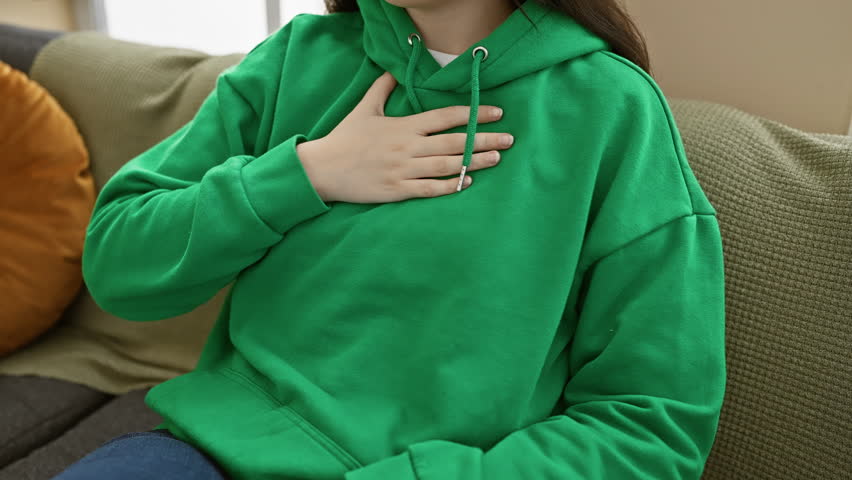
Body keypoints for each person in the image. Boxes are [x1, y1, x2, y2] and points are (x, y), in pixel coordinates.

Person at [52, 0, 727, 478]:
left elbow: (651, 428)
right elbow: (117, 263)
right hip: (206, 453)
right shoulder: (295, 60)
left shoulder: (614, 114)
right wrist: (306, 173)